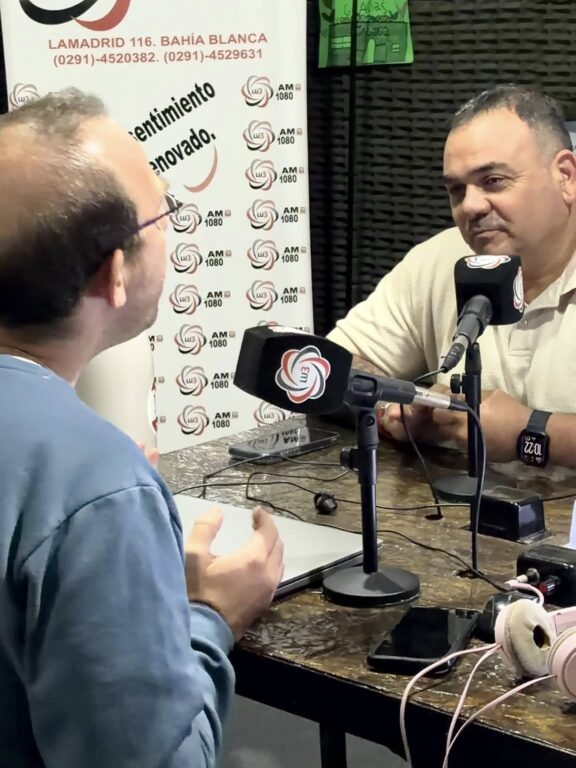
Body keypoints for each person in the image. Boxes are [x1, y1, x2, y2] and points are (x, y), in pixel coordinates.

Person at [0, 89, 283, 768]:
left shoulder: (81, 477)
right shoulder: (95, 485)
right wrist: (210, 616)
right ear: (116, 271)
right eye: (165, 212)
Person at [329, 86, 576, 470]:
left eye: (493, 180)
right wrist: (396, 404)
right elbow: (335, 364)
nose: (470, 206)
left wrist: (528, 432)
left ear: (565, 176)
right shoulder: (441, 258)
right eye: (457, 190)